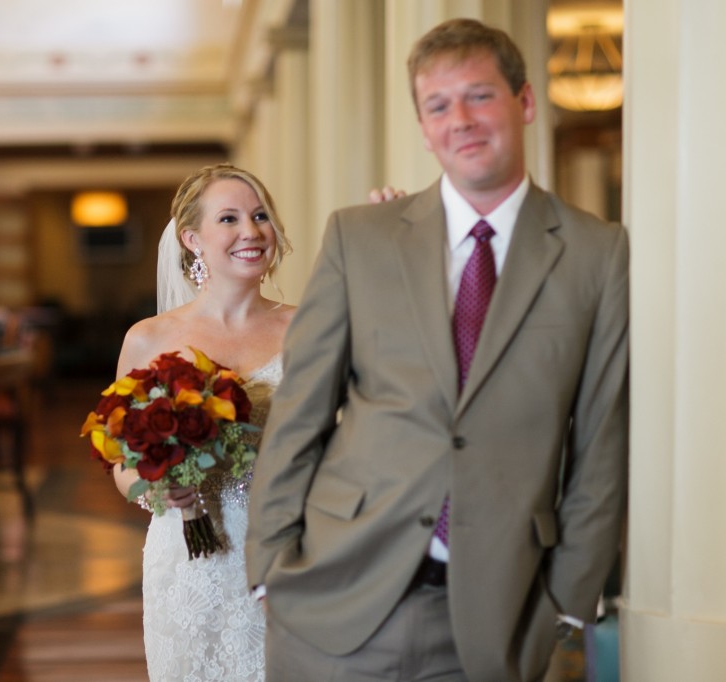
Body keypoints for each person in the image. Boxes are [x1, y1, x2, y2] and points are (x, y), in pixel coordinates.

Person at [245, 18, 628, 682]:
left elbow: (602, 440)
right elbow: (300, 414)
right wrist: (270, 565)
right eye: (439, 105)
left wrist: (567, 602)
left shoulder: (599, 255)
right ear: (423, 128)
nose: (462, 120)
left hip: (498, 620)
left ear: (525, 103)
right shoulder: (357, 239)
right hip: (335, 599)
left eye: (479, 95)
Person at [111, 163, 294, 681]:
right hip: (188, 566)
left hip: (286, 548)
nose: (251, 231)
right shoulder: (149, 339)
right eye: (230, 218)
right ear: (192, 238)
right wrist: (156, 491)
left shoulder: (310, 326)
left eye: (260, 216)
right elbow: (120, 459)